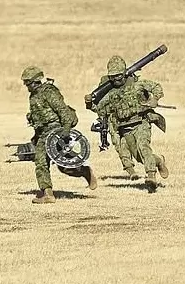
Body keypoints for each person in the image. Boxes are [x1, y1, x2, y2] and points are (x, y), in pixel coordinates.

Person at [91, 55, 170, 191]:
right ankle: (159, 161)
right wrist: (89, 103)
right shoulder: (110, 92)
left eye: (119, 76)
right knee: (139, 157)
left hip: (141, 122)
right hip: (123, 127)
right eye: (112, 76)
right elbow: (100, 109)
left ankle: (151, 176)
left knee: (143, 147)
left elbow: (156, 87)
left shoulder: (136, 84)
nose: (116, 79)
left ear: (124, 73)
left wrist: (154, 99)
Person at [21, 66, 97, 204]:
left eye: (28, 83)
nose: (26, 86)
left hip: (55, 131)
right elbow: (40, 116)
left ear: (36, 81)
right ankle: (80, 173)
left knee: (51, 163)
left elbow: (63, 111)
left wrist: (66, 130)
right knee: (52, 164)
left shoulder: (49, 92)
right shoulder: (33, 96)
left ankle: (50, 192)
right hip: (43, 133)